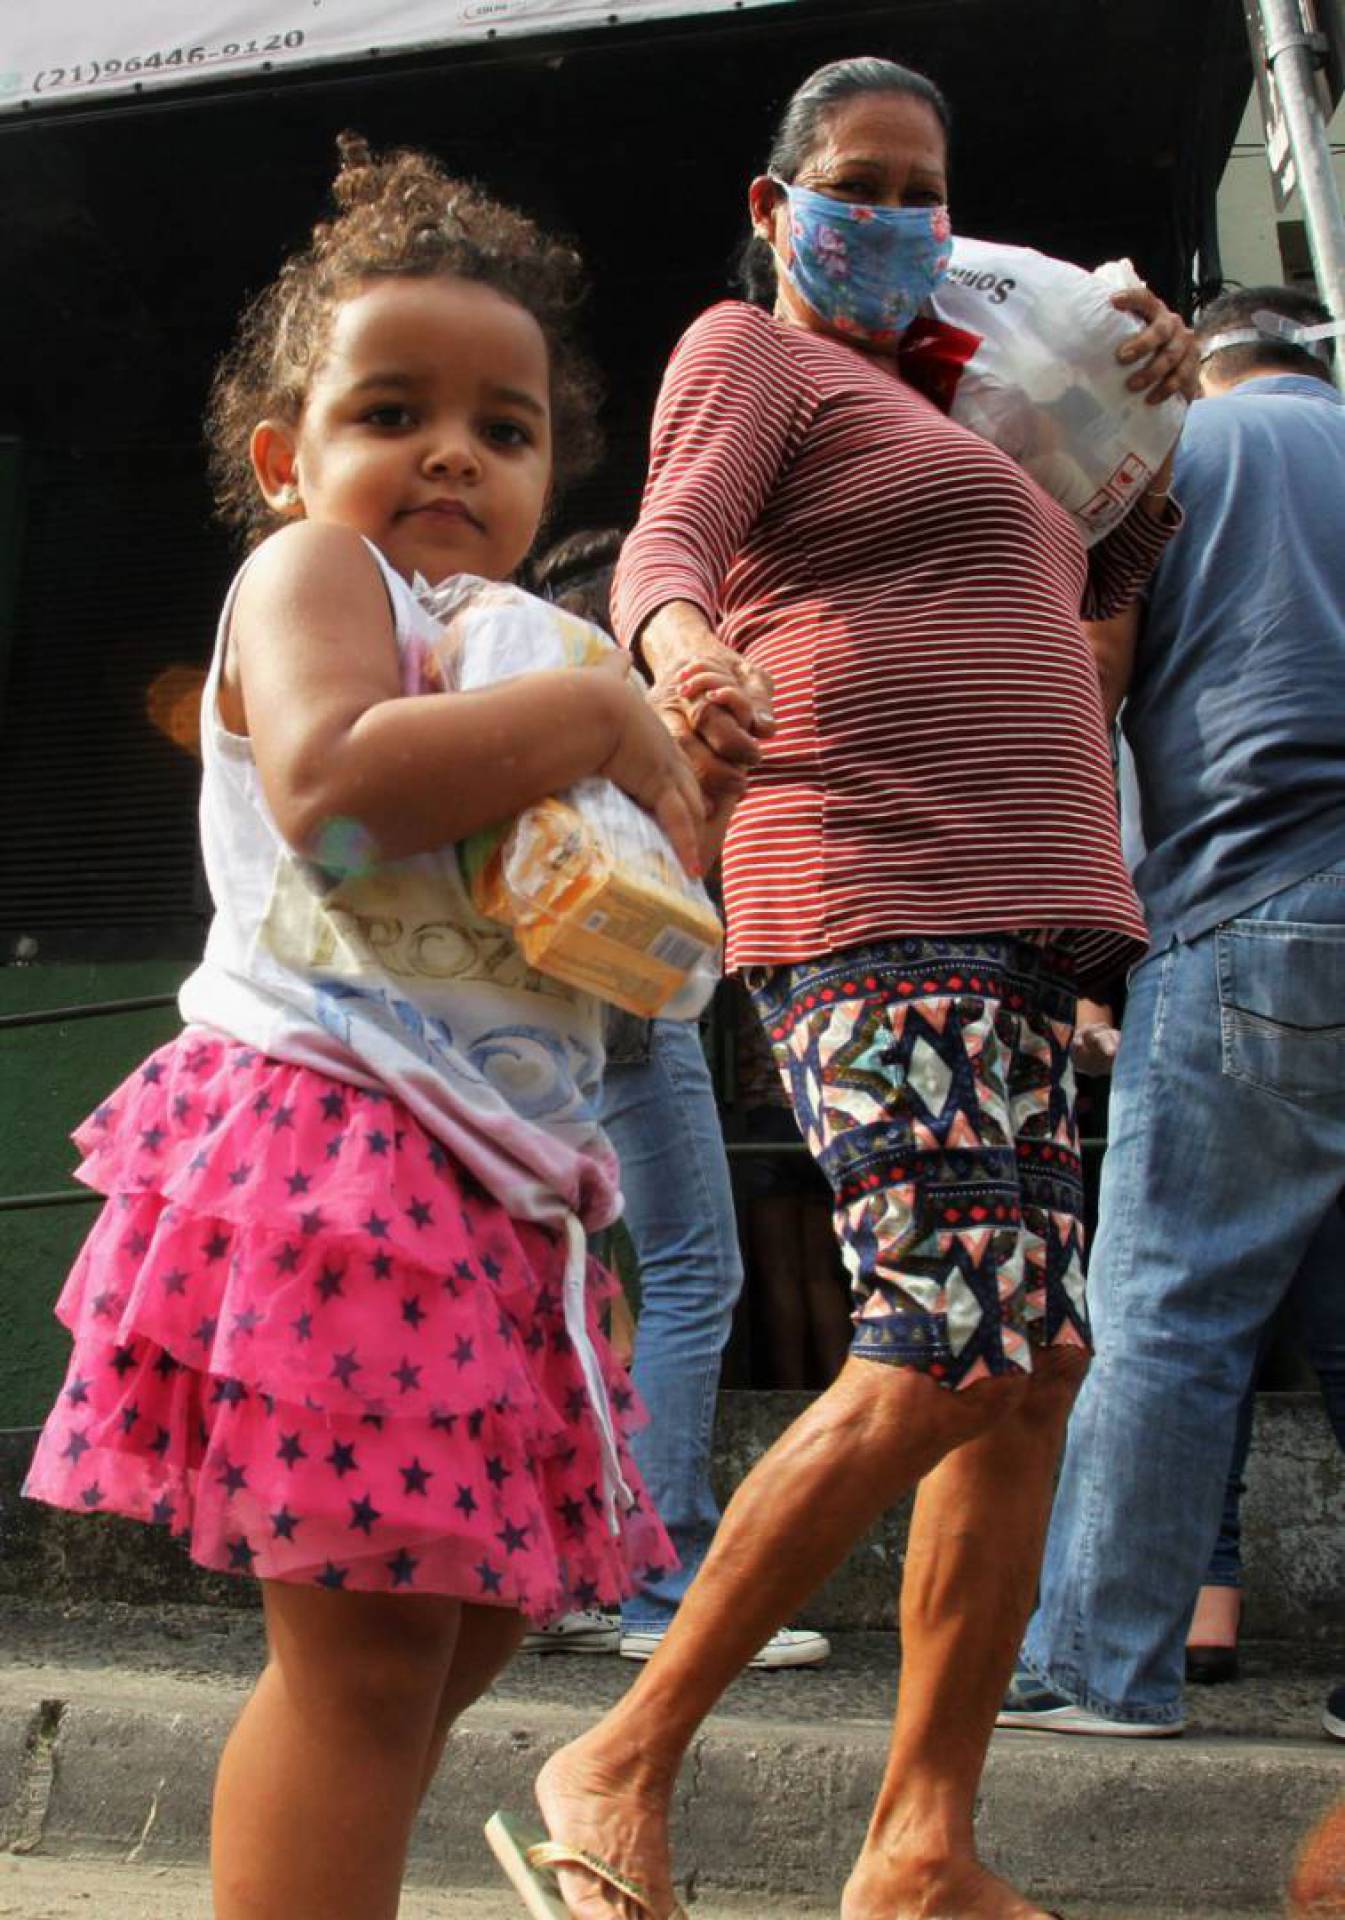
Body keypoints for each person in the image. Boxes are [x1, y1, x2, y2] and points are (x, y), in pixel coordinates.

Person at [494, 55, 1193, 1920]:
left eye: (920, 189)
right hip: (877, 891)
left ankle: (920, 1846)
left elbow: (1093, 585)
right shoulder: (758, 359)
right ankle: (621, 1752)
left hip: (1037, 923)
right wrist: (686, 645)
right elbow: (665, 539)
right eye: (856, 180)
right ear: (775, 203)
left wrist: (1146, 410)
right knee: (950, 1332)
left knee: (1036, 1366)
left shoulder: (977, 415)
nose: (891, 214)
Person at [19, 134, 708, 1920]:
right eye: (391, 409)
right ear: (288, 457)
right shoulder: (322, 579)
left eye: (505, 425)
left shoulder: (521, 647)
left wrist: (661, 764)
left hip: (491, 1189)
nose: (451, 457)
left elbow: (661, 922)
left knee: (462, 1622)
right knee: (367, 1665)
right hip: (339, 1154)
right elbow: (330, 793)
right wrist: (604, 724)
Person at [999, 286, 1345, 1744]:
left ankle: (1098, 1664)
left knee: (1165, 1306)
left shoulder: (1171, 459)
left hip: (1248, 906)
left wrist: (1076, 935)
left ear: (1196, 358)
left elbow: (1086, 687)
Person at [522, 529, 830, 1668]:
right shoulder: (652, 706)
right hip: (638, 997)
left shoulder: (529, 687)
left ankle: (567, 1580)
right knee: (697, 1269)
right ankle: (667, 1585)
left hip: (539, 1006)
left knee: (570, 1285)